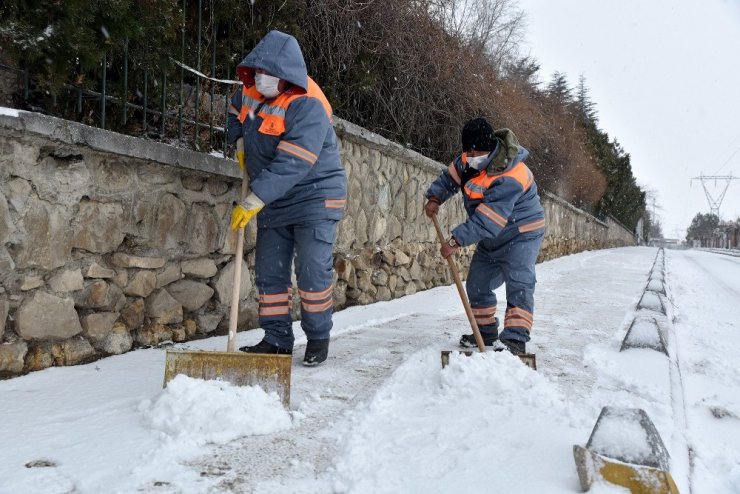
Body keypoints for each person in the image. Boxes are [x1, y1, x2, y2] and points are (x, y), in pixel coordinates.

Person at [226, 30, 347, 366]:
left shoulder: (308, 104)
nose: (262, 81)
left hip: (315, 196)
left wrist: (253, 200)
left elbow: (293, 163)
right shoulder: (250, 92)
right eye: (259, 73)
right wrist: (238, 143)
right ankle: (277, 338)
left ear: (288, 76)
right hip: (275, 198)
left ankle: (318, 336)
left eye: (270, 75)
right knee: (270, 272)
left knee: (311, 271)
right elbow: (236, 113)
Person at [423, 118, 545, 355]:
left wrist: (455, 241)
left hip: (522, 232)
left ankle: (515, 339)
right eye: (467, 151)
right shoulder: (468, 160)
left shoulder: (511, 174)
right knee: (478, 283)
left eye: (476, 152)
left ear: (490, 148)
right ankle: (485, 332)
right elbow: (450, 178)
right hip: (491, 236)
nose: (471, 156)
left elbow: (488, 219)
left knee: (519, 281)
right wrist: (435, 197)